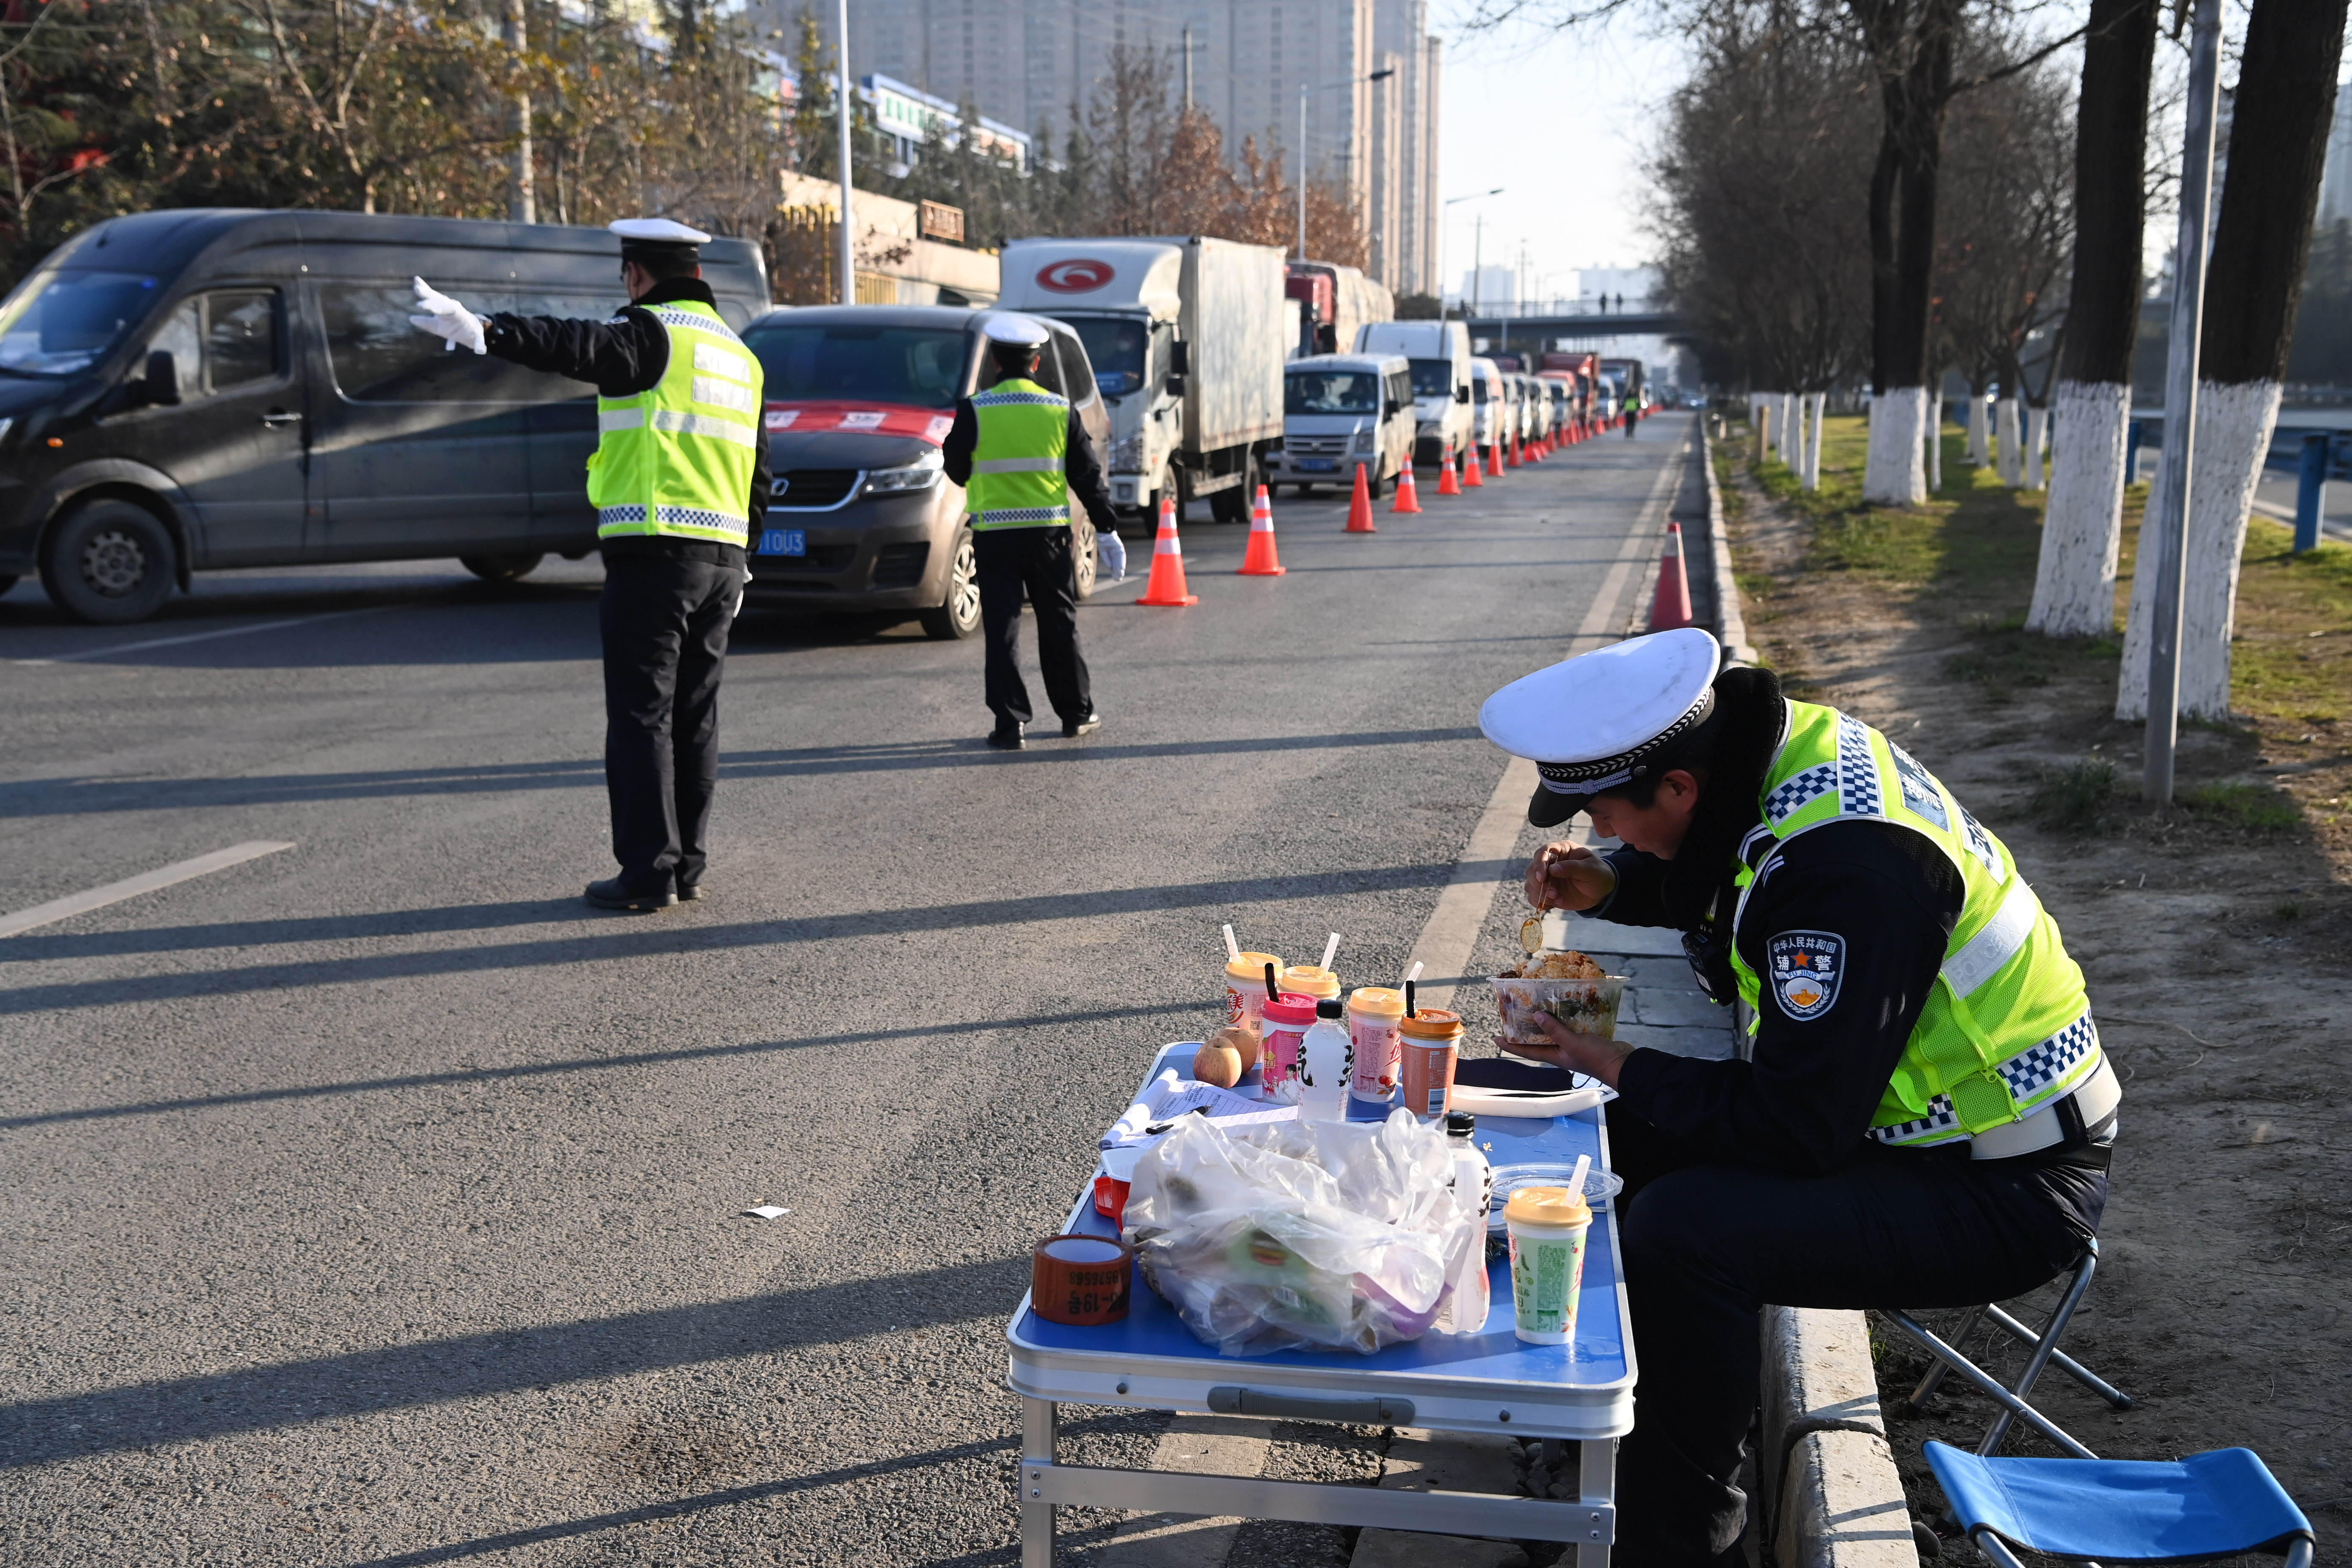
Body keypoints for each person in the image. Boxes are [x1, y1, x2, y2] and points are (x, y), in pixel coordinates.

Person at [1478, 627, 2118, 1567]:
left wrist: (1610, 1057)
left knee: (1686, 1231)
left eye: (1608, 817)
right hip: (1908, 1133)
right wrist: (1614, 880)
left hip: (2007, 1182)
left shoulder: (1850, 873)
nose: (1603, 831)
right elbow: (1735, 866)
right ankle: (1598, 1429)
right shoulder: (1776, 752)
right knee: (1599, 1145)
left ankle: (1679, 1539)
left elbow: (1793, 1127)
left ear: (1679, 785)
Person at [408, 218, 768, 912]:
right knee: (695, 718)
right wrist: (745, 559)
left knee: (642, 717)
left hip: (655, 554)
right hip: (722, 562)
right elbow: (760, 471)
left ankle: (646, 873)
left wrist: (485, 329)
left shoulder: (651, 334)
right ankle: (687, 862)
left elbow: (574, 344)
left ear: (637, 275)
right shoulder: (741, 357)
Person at [940, 315, 1114, 751]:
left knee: (1002, 627)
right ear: (1036, 363)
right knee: (1058, 622)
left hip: (994, 536)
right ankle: (1076, 713)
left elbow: (956, 471)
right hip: (1049, 538)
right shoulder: (1060, 410)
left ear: (995, 362)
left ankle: (1010, 723)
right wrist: (1107, 527)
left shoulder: (974, 410)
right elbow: (1087, 477)